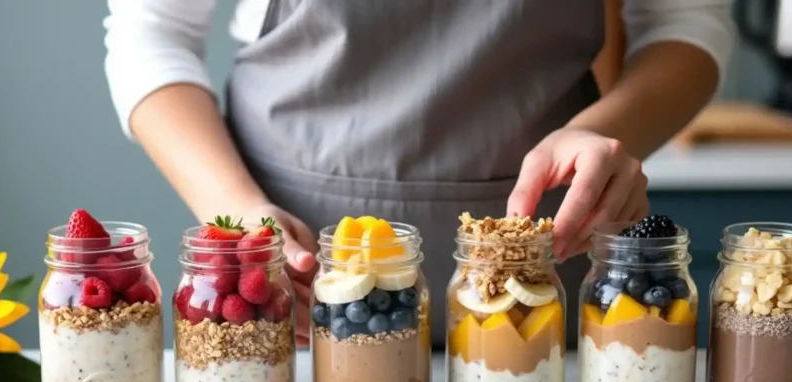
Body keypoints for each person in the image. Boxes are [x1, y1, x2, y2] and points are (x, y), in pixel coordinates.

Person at [103, 0, 734, 347]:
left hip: (534, 284)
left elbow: (686, 23)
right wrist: (235, 208)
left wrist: (603, 131)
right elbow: (150, 32)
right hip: (290, 291)